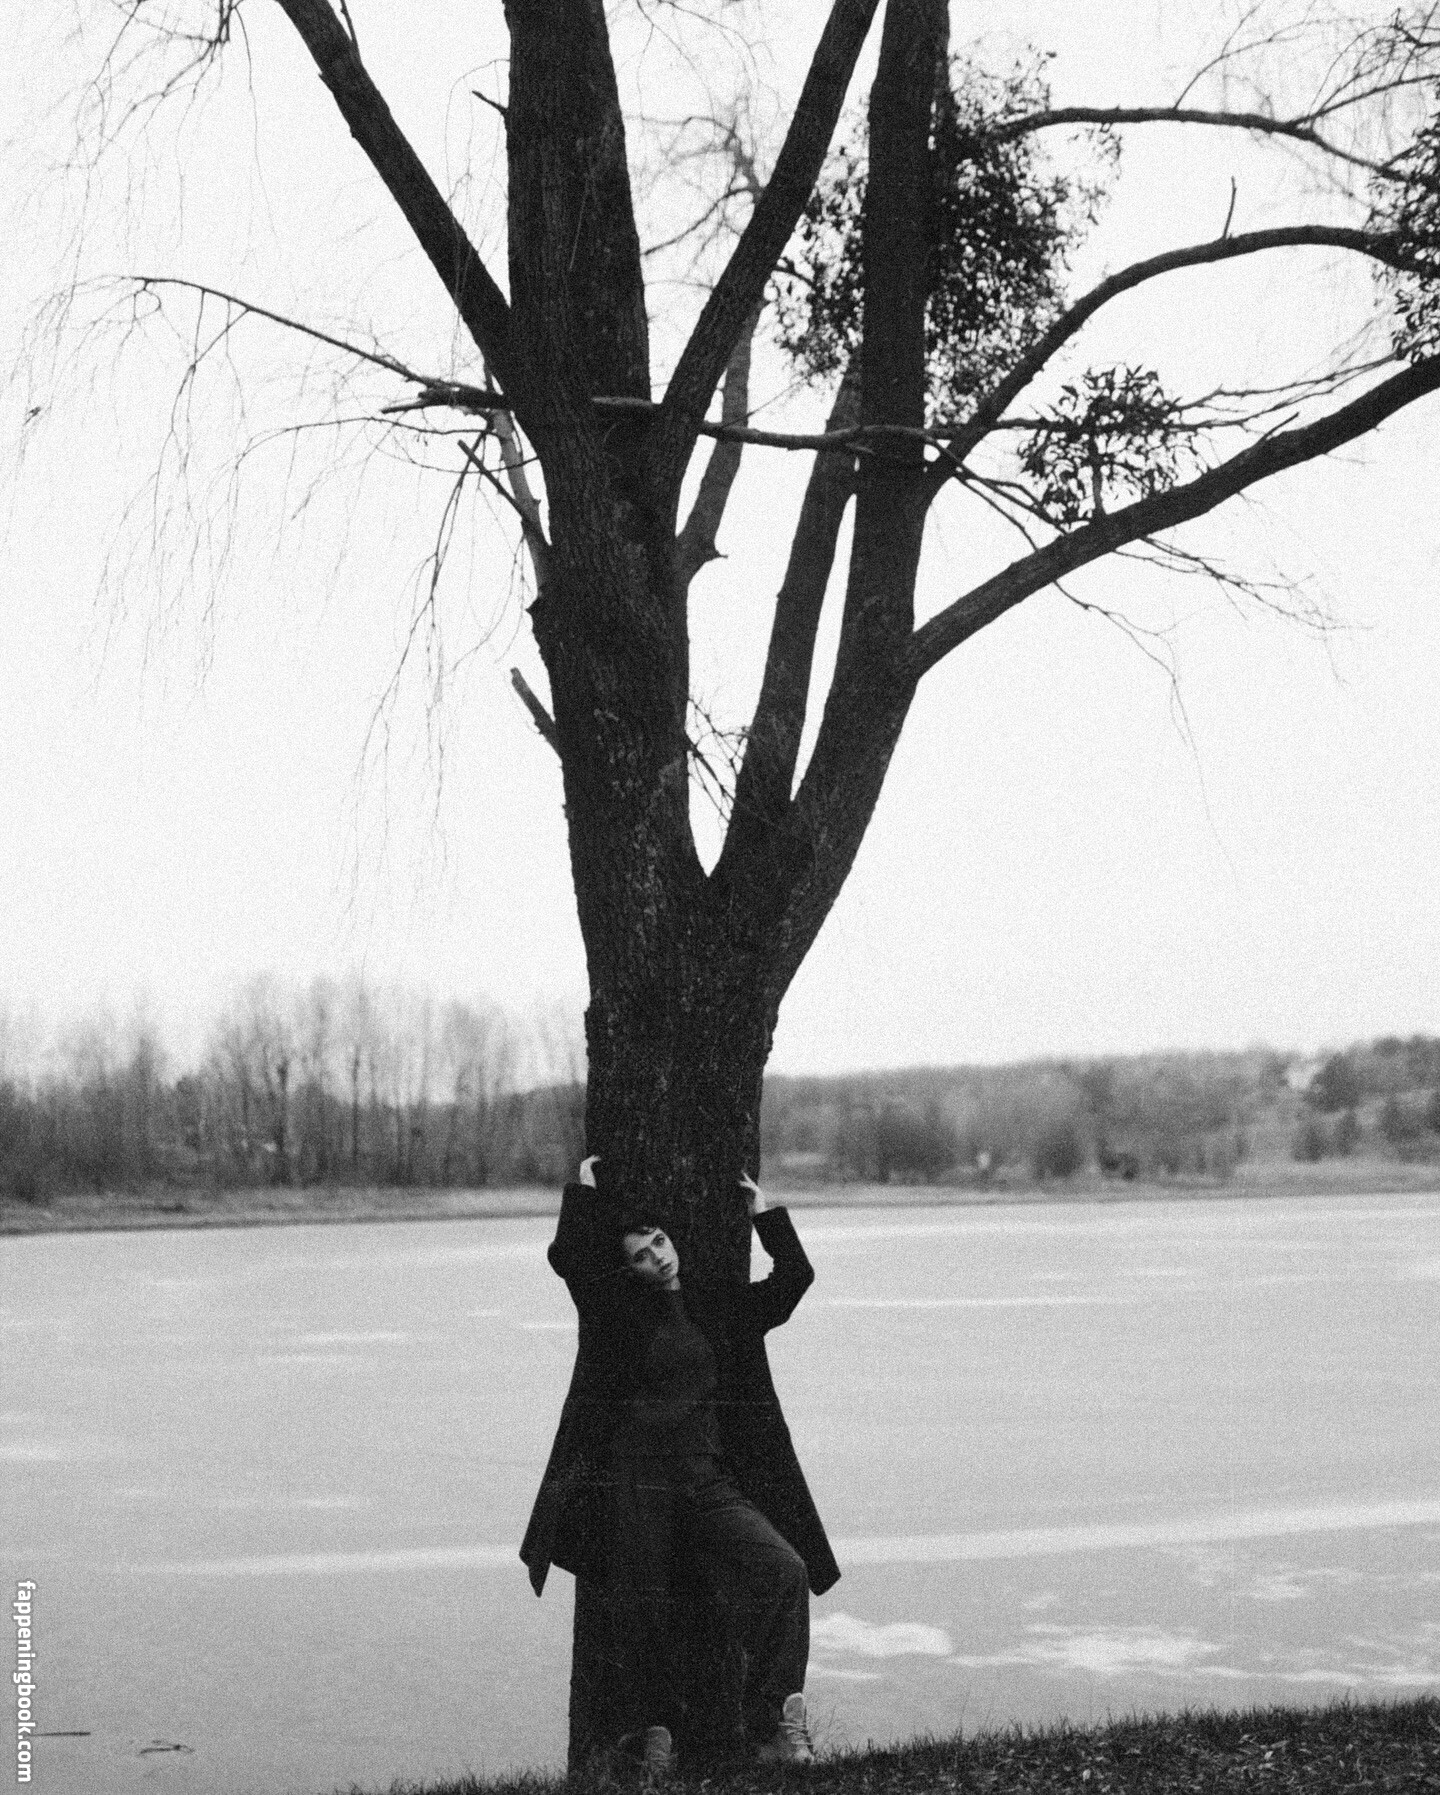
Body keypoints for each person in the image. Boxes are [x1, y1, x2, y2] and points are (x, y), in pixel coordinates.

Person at [521, 1157, 839, 1773]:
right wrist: (582, 1196)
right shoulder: (614, 1315)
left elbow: (794, 1278)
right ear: (630, 1269)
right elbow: (569, 1261)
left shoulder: (720, 1308)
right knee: (645, 1615)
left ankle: (777, 1725)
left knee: (784, 1571)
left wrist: (765, 1214)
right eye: (641, 1255)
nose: (658, 1258)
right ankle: (655, 1744)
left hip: (707, 1484)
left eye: (660, 1242)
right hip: (635, 1489)